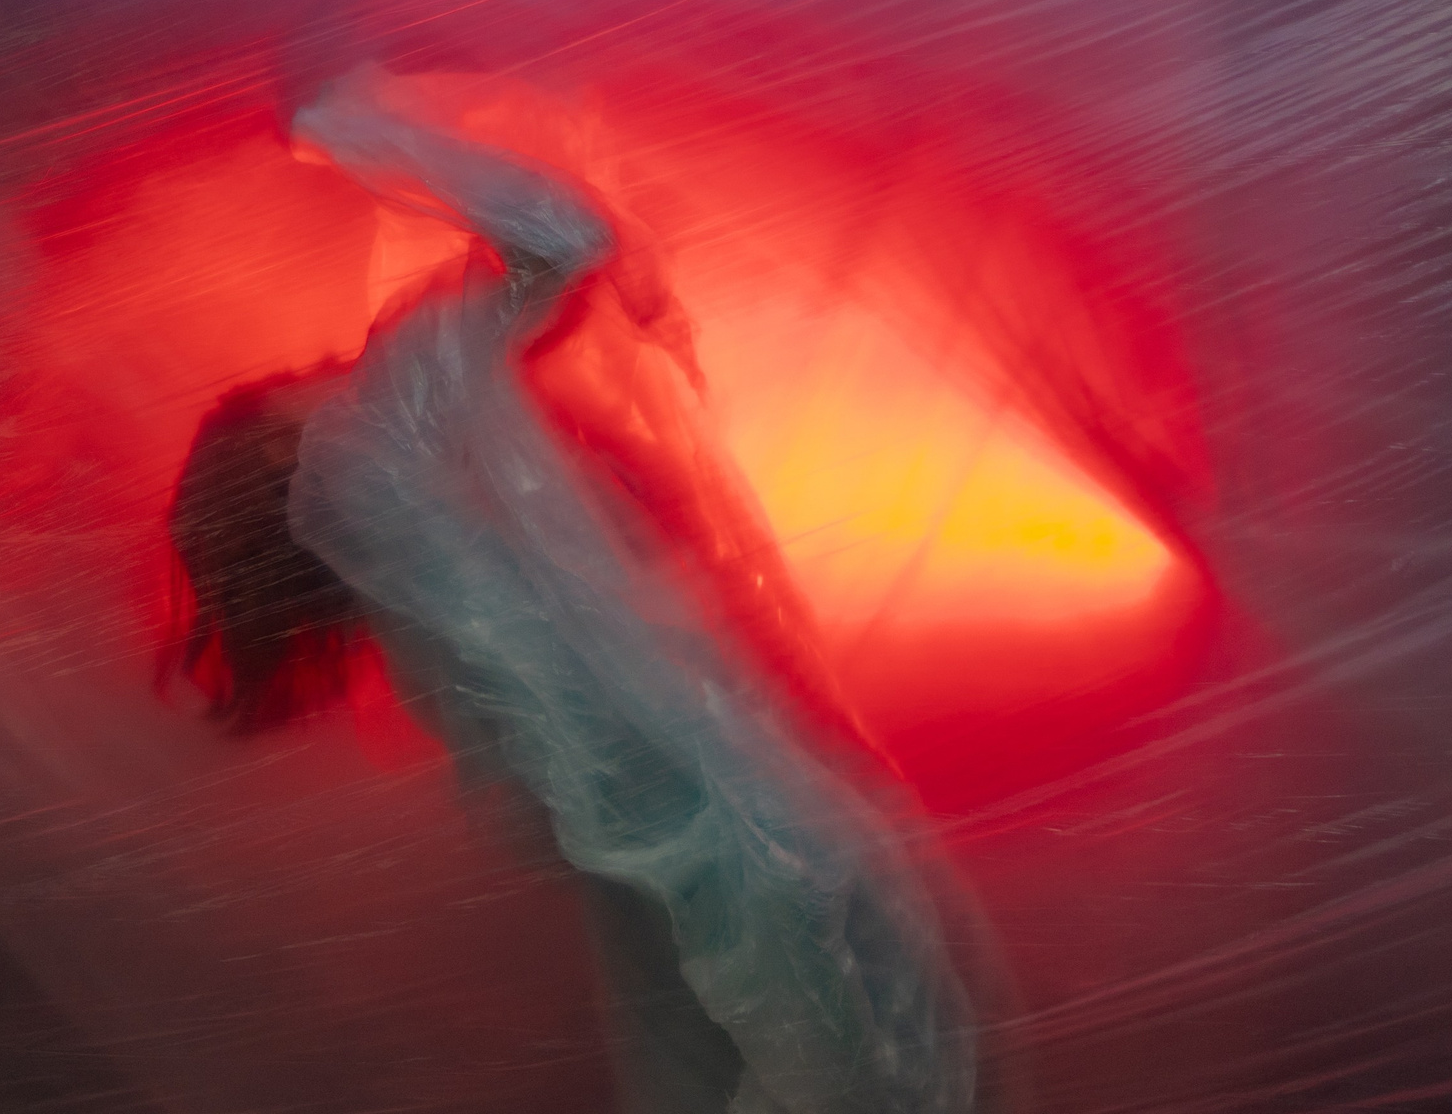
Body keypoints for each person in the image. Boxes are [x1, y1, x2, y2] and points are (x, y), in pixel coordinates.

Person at [165, 68, 976, 1113]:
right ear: (276, 444)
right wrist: (353, 121)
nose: (308, 361)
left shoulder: (381, 525)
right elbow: (565, 237)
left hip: (650, 821)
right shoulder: (382, 418)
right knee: (842, 1040)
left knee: (748, 1048)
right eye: (276, 386)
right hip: (712, 792)